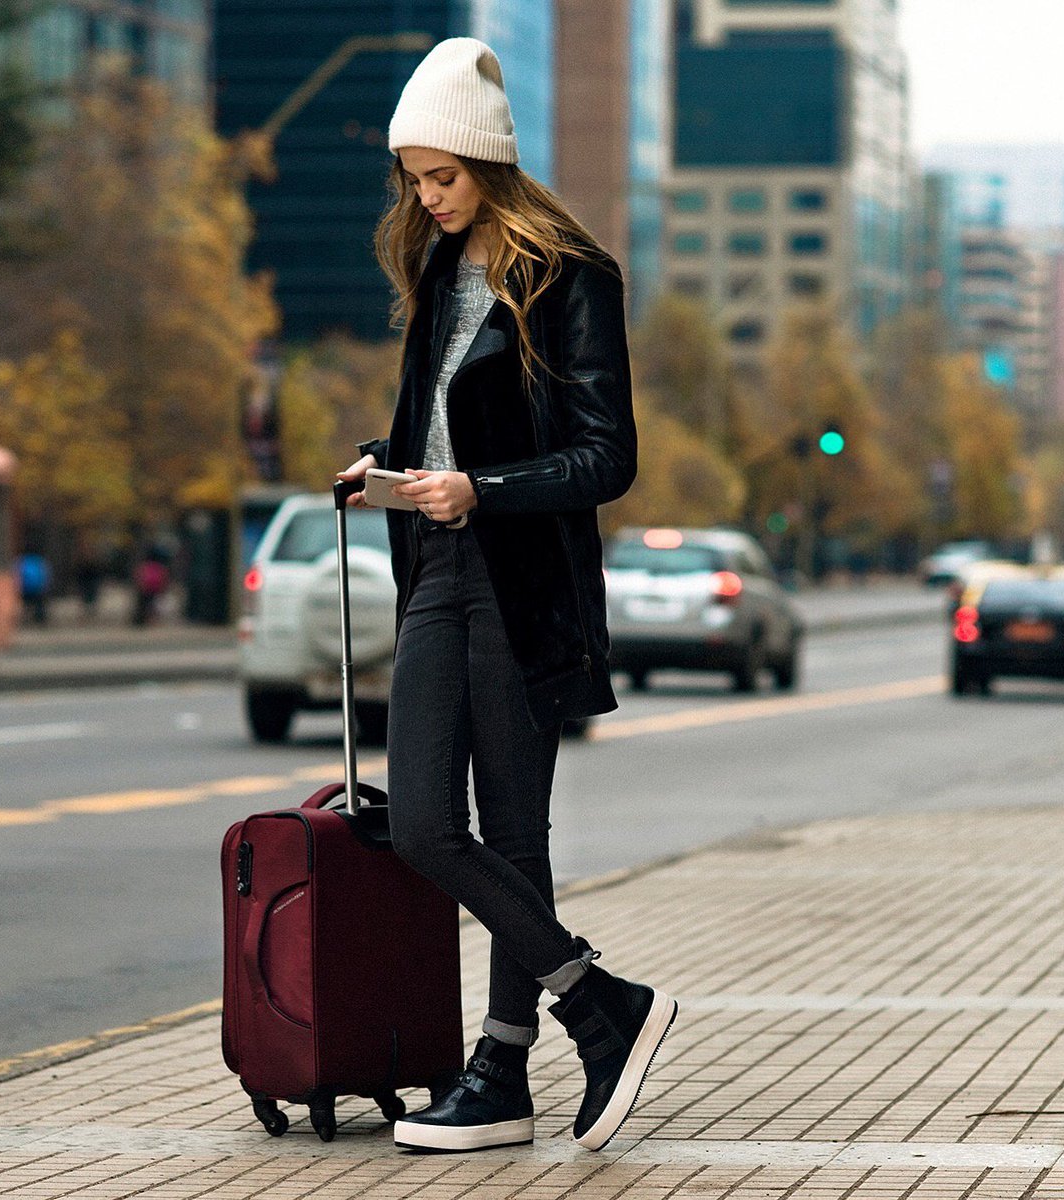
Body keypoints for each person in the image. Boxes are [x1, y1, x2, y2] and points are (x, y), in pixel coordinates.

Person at [336, 38, 677, 1155]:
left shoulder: (573, 278)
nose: (426, 199)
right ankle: (601, 1004)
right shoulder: (436, 277)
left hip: (520, 584)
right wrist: (384, 463)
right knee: (428, 824)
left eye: (442, 177)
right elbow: (446, 429)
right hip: (435, 573)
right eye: (414, 180)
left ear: (487, 162)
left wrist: (478, 488)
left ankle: (503, 1068)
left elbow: (603, 458)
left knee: (511, 835)